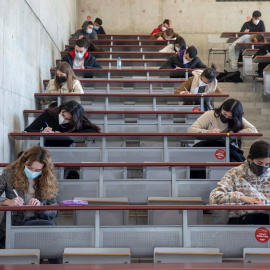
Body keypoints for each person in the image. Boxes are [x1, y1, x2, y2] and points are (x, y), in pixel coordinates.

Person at [0, 146, 59, 260]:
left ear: (44, 170)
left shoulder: (48, 179)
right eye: (29, 168)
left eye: (37, 170)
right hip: (14, 225)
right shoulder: (9, 175)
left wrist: (40, 207)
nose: (32, 172)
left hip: (40, 225)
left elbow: (54, 211)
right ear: (23, 162)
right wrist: (8, 202)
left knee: (54, 243)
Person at [209, 140, 270, 225]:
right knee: (259, 219)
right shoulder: (235, 173)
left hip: (267, 218)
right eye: (259, 163)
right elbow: (214, 197)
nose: (263, 167)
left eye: (267, 164)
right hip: (241, 219)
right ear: (250, 159)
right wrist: (241, 197)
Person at [188, 99, 257, 162]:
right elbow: (191, 130)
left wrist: (233, 134)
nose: (226, 117)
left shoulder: (237, 119)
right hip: (208, 147)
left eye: (230, 117)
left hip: (227, 149)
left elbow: (253, 130)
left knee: (235, 161)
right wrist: (207, 132)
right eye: (224, 114)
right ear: (222, 108)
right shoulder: (210, 114)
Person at [25, 100, 101, 134]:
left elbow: (94, 131)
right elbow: (28, 130)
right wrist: (42, 132)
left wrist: (66, 133)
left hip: (66, 149)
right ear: (61, 109)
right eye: (63, 115)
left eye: (68, 119)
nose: (64, 119)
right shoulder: (48, 114)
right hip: (46, 147)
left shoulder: (78, 120)